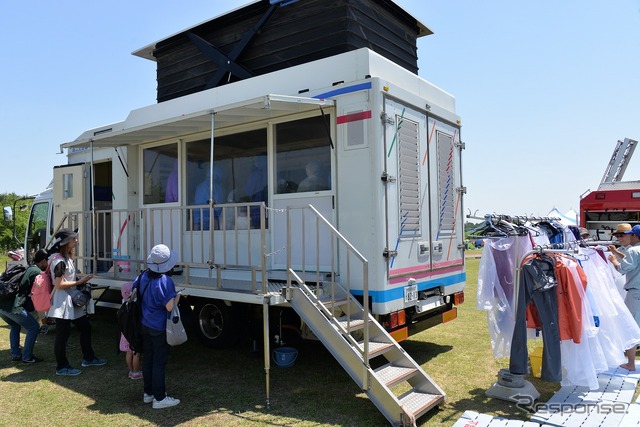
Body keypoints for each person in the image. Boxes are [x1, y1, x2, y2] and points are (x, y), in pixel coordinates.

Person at [48, 228, 107, 376]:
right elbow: (59, 285)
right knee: (63, 335)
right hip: (63, 303)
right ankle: (62, 367)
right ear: (66, 242)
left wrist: (78, 279)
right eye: (74, 239)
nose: (76, 241)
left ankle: (88, 357)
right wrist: (79, 281)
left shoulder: (63, 258)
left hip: (69, 301)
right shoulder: (59, 261)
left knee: (85, 328)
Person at [139, 244, 181, 409]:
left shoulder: (143, 276)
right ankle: (159, 397)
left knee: (148, 359)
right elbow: (169, 306)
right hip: (159, 325)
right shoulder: (165, 281)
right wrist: (178, 297)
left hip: (145, 323)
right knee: (159, 361)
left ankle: (148, 393)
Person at [0, 249, 49, 363]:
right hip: (13, 306)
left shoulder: (28, 267)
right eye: (47, 262)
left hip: (2, 305)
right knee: (33, 327)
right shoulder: (37, 272)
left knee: (15, 326)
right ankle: (27, 357)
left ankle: (16, 354)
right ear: (43, 261)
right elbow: (39, 294)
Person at [608, 224, 640, 370]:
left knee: (631, 326)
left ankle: (631, 363)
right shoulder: (635, 251)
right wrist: (617, 253)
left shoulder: (633, 250)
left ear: (634, 236)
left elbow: (623, 268)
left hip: (636, 293)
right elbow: (631, 260)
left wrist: (613, 260)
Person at [120, 281, 143, 380]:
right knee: (136, 353)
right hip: (133, 333)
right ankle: (136, 372)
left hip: (125, 333)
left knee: (128, 353)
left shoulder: (124, 303)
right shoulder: (134, 306)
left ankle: (131, 371)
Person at [193, 165, 224, 230]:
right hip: (210, 219)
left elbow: (196, 205)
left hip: (199, 219)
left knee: (200, 239)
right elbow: (218, 205)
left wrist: (195, 222)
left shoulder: (199, 186)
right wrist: (218, 218)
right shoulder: (216, 187)